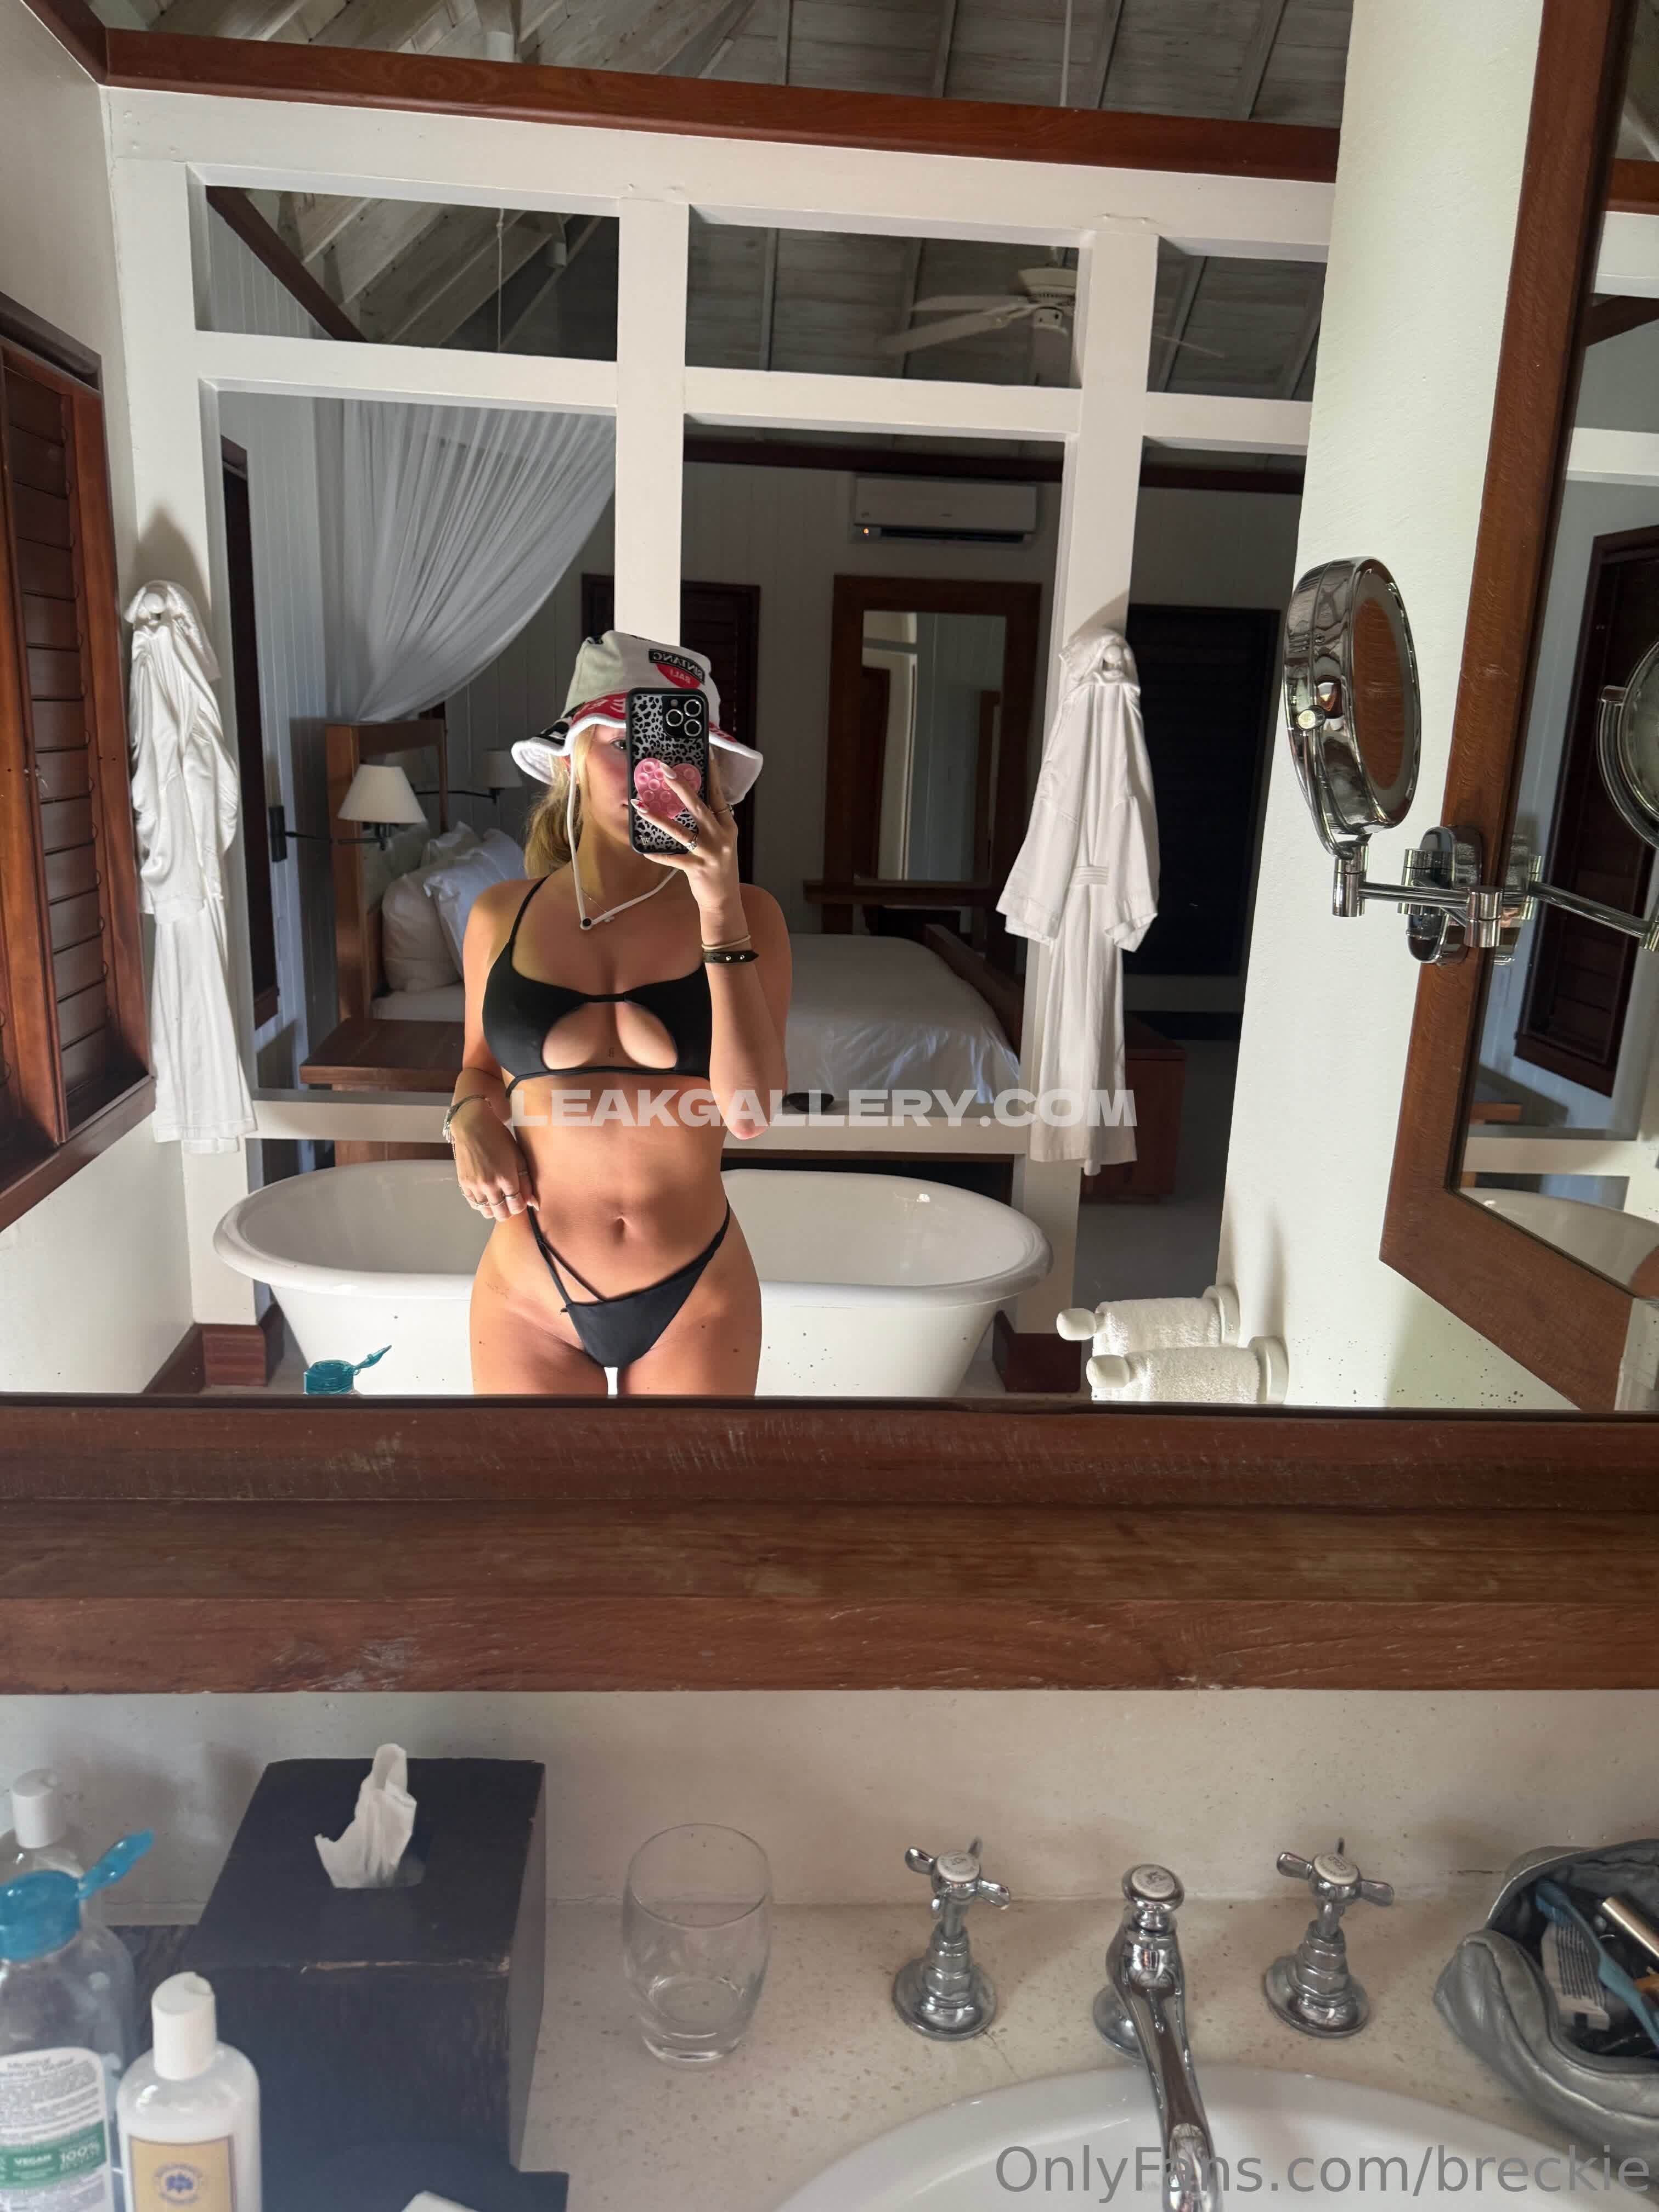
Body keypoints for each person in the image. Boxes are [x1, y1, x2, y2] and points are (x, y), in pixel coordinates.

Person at [445, 634, 790, 1395]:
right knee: (533, 1486)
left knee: (688, 1486)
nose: (648, 771)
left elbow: (751, 1112)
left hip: (697, 1293)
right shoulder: (500, 914)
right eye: (622, 743)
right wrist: (466, 1121)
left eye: (672, 749)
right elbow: (477, 1069)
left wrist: (719, 908)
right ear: (568, 758)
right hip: (527, 1293)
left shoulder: (752, 915)